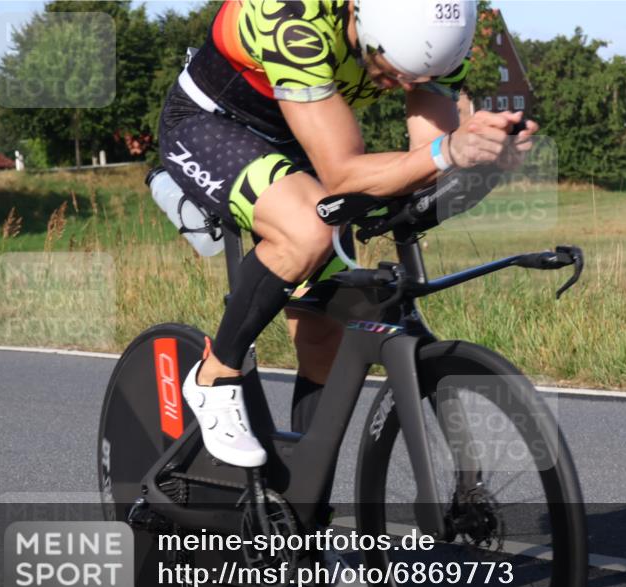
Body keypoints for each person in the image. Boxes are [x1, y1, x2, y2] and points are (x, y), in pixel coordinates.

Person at [157, 0, 538, 471]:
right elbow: (341, 174)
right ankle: (215, 376)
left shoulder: (435, 38)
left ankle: (302, 510)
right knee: (307, 231)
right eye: (395, 72)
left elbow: (425, 164)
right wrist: (448, 150)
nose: (403, 88)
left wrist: (484, 157)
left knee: (325, 332)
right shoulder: (292, 18)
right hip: (215, 125)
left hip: (308, 136)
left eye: (418, 81)